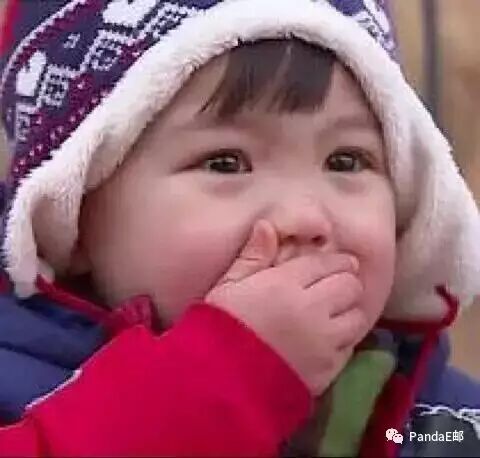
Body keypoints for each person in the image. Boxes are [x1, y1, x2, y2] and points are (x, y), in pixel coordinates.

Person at [0, 0, 479, 456]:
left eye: (346, 160)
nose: (305, 218)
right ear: (73, 218)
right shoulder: (17, 393)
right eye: (226, 163)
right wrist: (225, 377)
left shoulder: (443, 424)